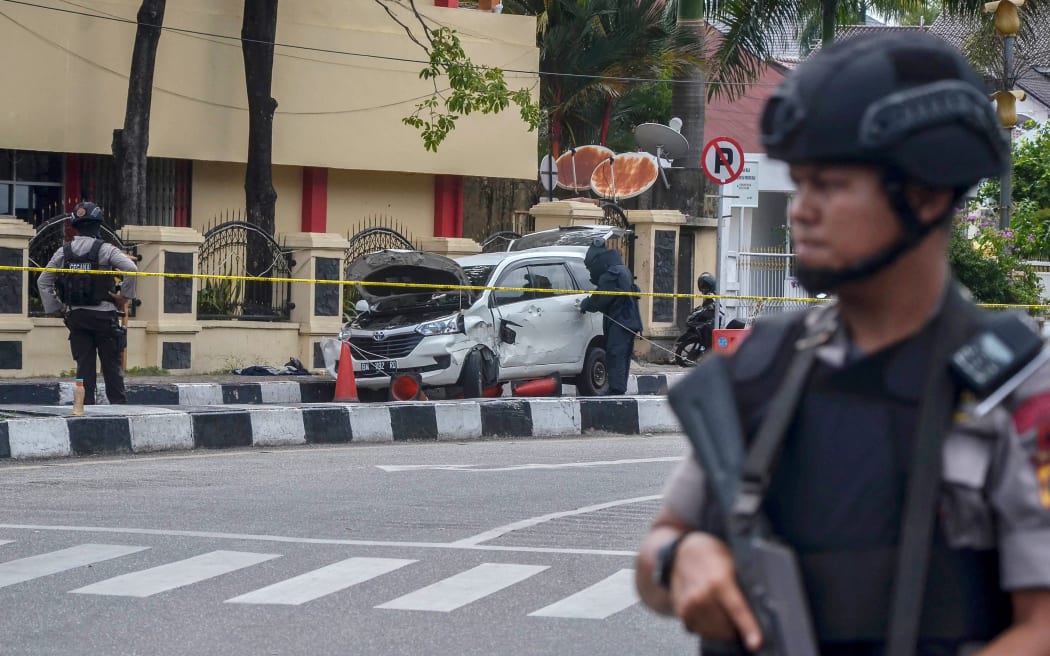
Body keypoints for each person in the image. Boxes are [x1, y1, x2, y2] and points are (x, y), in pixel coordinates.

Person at [635, 32, 1050, 655]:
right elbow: (660, 546)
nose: (802, 210)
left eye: (829, 185)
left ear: (927, 195)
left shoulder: (1014, 391)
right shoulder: (761, 367)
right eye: (799, 184)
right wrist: (682, 558)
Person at [37, 202, 139, 405]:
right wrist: (124, 298)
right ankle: (119, 408)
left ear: (75, 225)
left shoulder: (63, 252)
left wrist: (56, 308)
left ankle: (84, 408)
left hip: (77, 317)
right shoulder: (106, 250)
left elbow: (43, 281)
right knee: (111, 366)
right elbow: (131, 270)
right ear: (98, 225)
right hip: (104, 317)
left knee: (84, 367)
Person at [579, 238, 642, 395]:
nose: (590, 272)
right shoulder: (622, 270)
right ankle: (619, 387)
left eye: (590, 268)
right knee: (622, 355)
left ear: (597, 261)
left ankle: (616, 389)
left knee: (616, 354)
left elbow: (600, 299)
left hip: (621, 321)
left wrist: (585, 305)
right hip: (628, 321)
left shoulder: (611, 275)